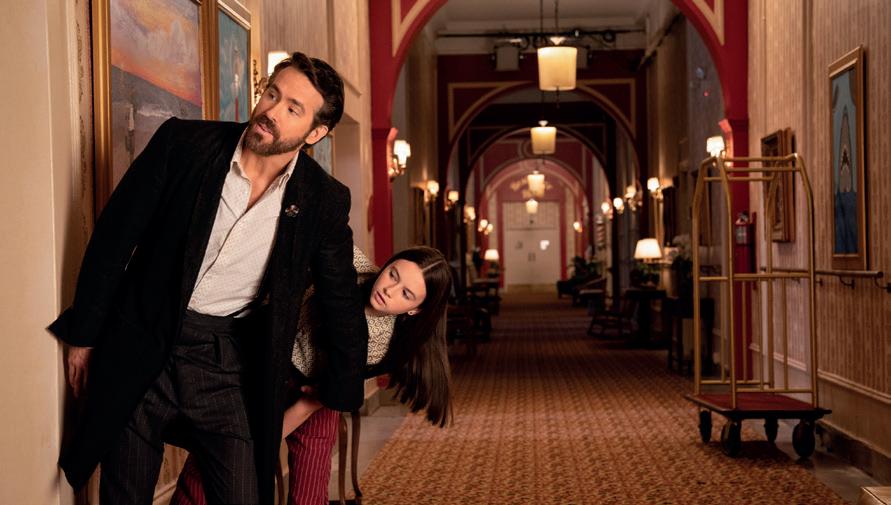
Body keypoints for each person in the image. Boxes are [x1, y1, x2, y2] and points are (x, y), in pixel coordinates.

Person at [48, 52, 368, 504]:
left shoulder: (324, 198)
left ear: (316, 133)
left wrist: (340, 388)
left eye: (293, 108)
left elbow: (340, 298)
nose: (271, 111)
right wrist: (84, 336)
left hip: (226, 359)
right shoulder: (184, 144)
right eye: (272, 94)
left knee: (242, 493)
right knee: (124, 493)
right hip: (143, 339)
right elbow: (114, 238)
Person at [171, 246, 454, 505]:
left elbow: (309, 406)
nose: (390, 290)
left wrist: (257, 444)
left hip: (317, 398)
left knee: (309, 492)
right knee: (210, 464)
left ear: (415, 310)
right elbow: (330, 235)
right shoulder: (357, 269)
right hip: (270, 371)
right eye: (393, 274)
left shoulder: (377, 343)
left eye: (406, 294)